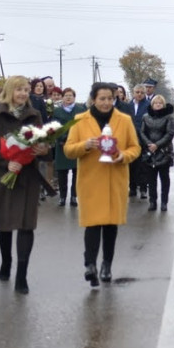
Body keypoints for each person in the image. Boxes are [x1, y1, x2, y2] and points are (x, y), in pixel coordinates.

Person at [64, 82, 141, 288]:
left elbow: (135, 147)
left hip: (115, 179)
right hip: (90, 180)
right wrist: (85, 145)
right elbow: (68, 150)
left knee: (110, 225)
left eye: (110, 98)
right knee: (92, 224)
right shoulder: (80, 120)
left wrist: (124, 155)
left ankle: (107, 264)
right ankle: (90, 265)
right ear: (93, 99)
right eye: (102, 99)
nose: (107, 102)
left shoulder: (124, 120)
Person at [0, 75, 51, 294]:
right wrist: (5, 162)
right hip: (3, 175)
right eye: (19, 89)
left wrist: (43, 149)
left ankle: (22, 274)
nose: (23, 94)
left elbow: (41, 141)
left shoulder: (34, 115)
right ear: (10, 91)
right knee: (4, 223)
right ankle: (6, 260)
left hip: (27, 176)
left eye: (26, 90)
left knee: (26, 223)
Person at [139, 94, 174, 211]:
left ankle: (164, 202)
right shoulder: (146, 117)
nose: (158, 105)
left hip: (164, 152)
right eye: (156, 103)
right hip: (149, 152)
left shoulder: (169, 118)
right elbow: (142, 132)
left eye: (160, 103)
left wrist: (157, 145)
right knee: (151, 179)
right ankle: (152, 201)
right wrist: (149, 144)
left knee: (164, 178)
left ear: (163, 104)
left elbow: (170, 134)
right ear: (152, 104)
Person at [53, 87, 85, 207]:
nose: (68, 97)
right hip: (61, 145)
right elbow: (55, 127)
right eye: (66, 95)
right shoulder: (57, 111)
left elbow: (82, 127)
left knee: (77, 172)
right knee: (62, 173)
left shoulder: (80, 110)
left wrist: (74, 138)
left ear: (74, 97)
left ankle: (73, 197)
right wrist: (64, 138)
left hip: (76, 145)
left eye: (70, 95)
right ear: (62, 97)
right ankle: (62, 197)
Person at [126, 84, 151, 199]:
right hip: (130, 139)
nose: (139, 94)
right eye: (137, 92)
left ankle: (143, 189)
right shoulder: (128, 105)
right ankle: (132, 187)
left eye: (142, 92)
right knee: (131, 165)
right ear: (133, 92)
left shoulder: (148, 105)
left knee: (143, 165)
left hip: (143, 139)